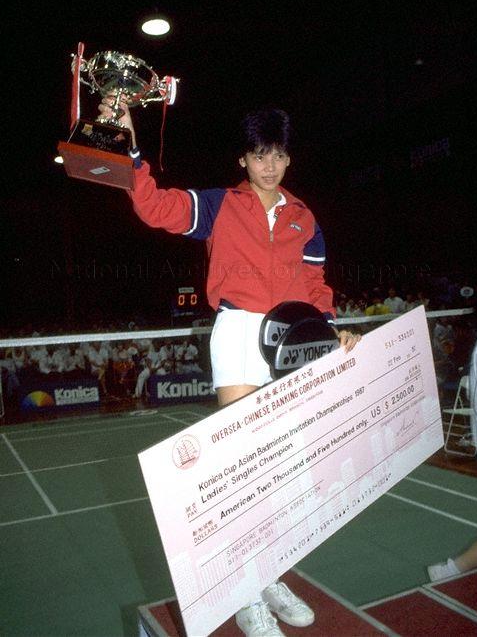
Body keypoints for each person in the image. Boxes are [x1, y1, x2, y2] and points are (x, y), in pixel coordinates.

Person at [98, 100, 361, 636]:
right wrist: (132, 150)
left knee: (281, 469)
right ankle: (245, 596)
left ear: (288, 159)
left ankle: (269, 576)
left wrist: (331, 330)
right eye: (260, 155)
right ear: (243, 159)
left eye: (279, 155)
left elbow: (315, 287)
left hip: (291, 338)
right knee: (247, 465)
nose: (270, 166)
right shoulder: (221, 205)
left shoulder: (304, 217)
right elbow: (154, 207)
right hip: (240, 333)